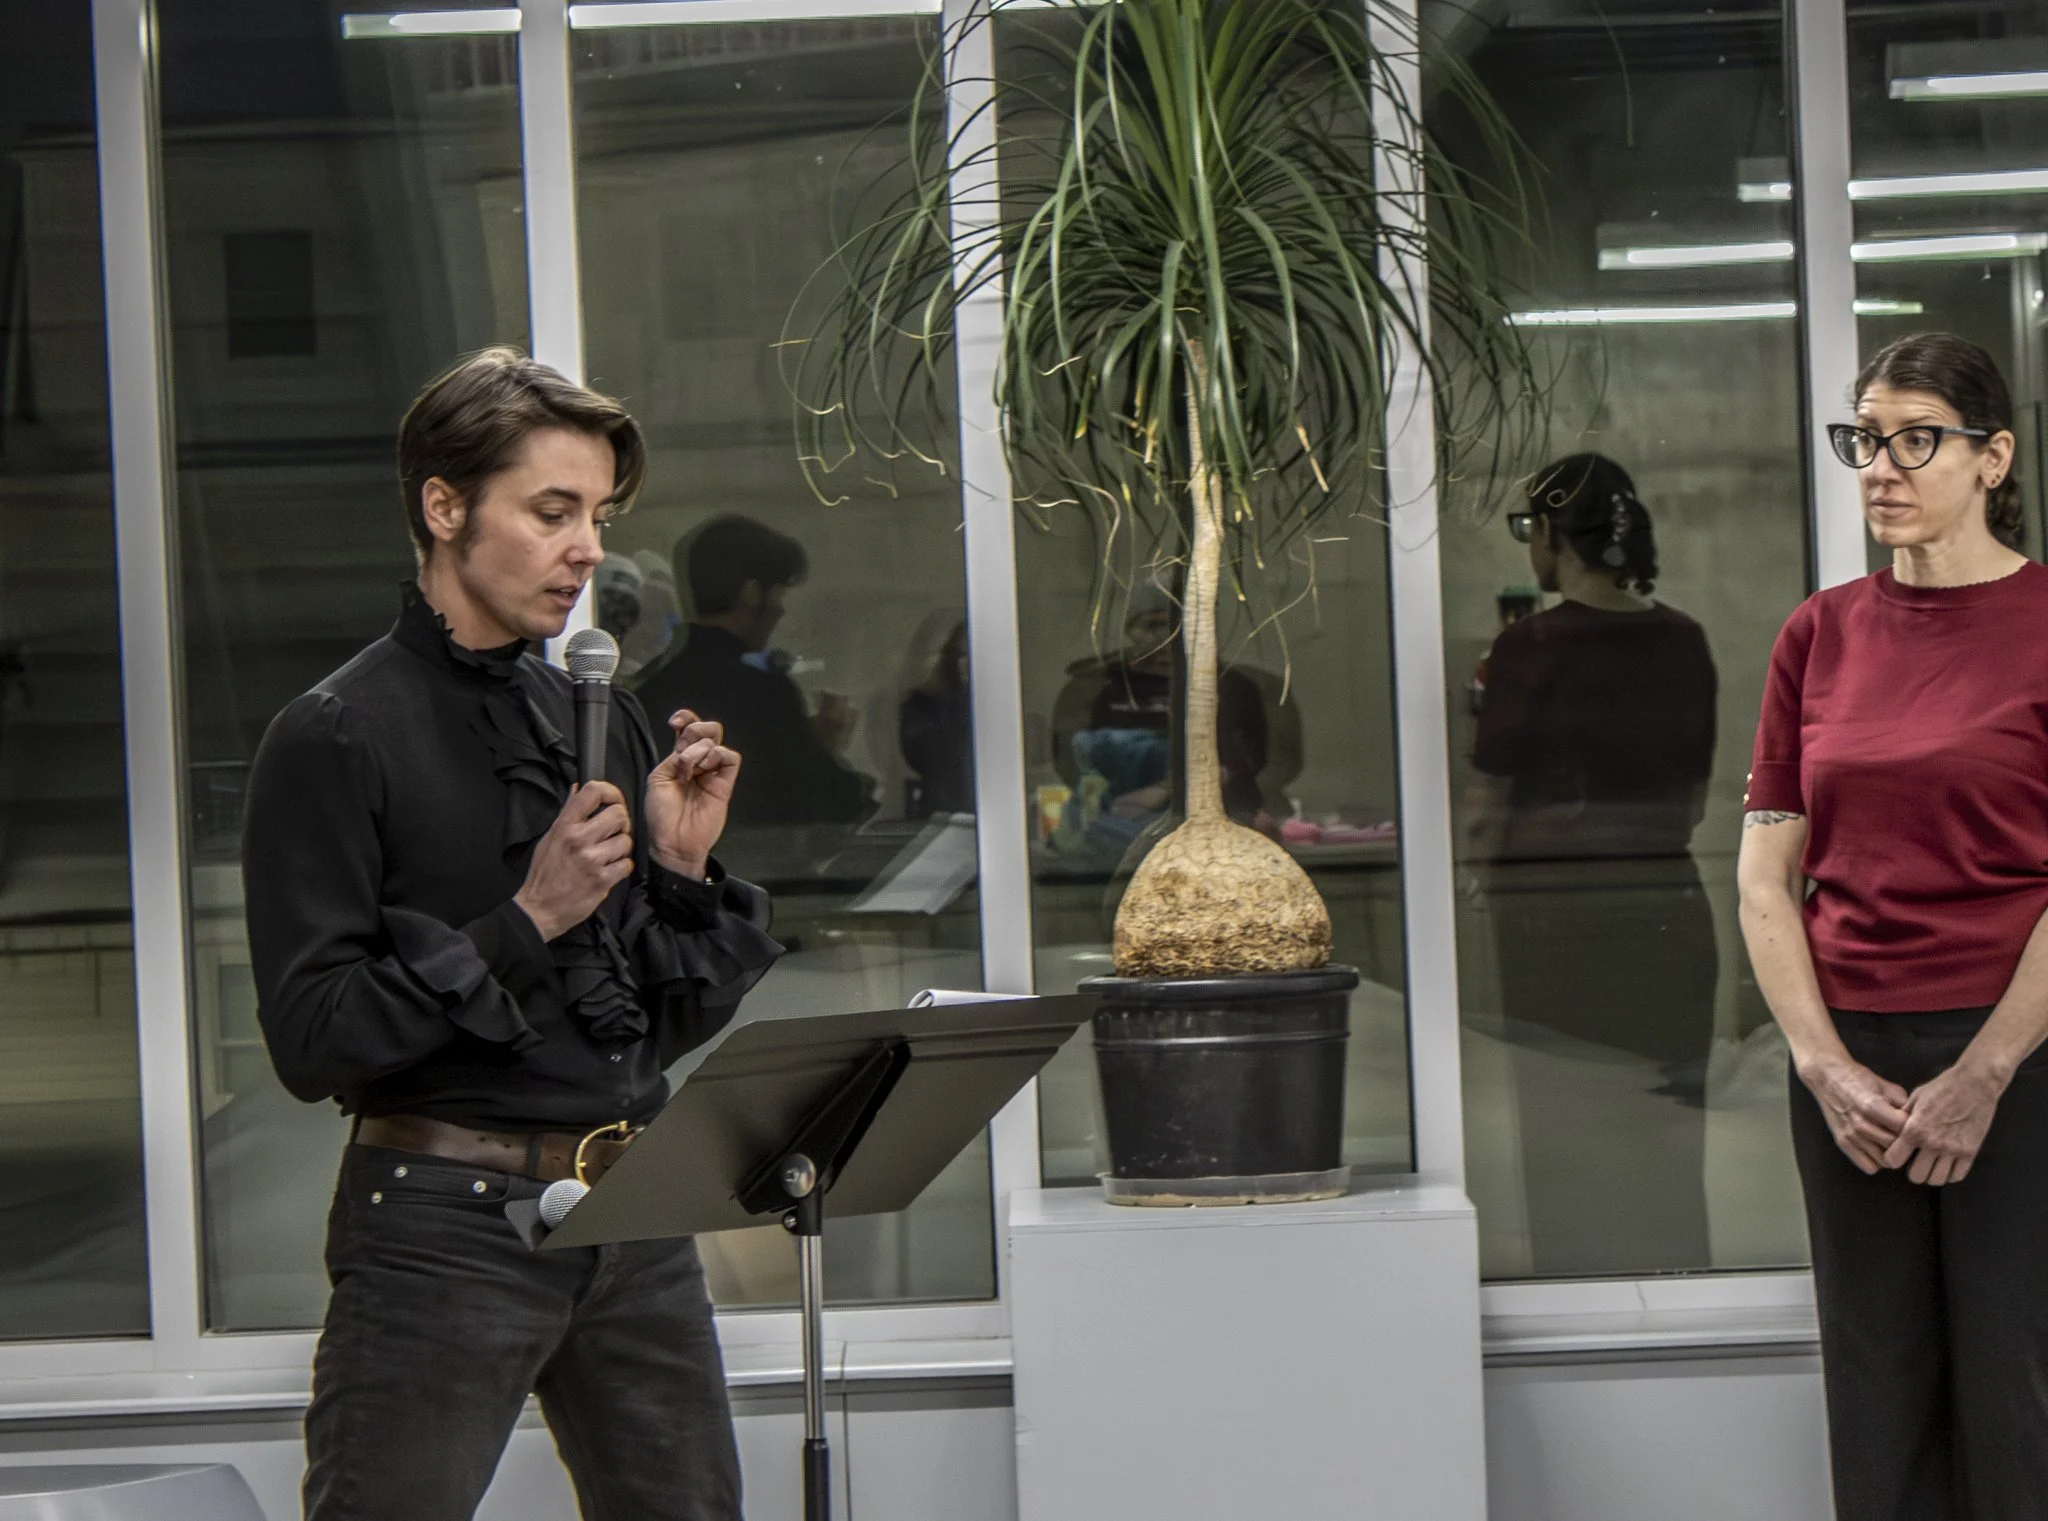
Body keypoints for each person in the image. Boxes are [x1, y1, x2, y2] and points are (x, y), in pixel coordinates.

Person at [240, 348, 784, 1521]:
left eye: (594, 514)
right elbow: (311, 1040)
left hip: (632, 1215)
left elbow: (653, 1027)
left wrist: (680, 872)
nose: (587, 546)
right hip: (437, 1226)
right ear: (444, 505)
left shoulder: (598, 711)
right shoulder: (333, 735)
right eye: (551, 510)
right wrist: (527, 919)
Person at [1739, 332, 2047, 1521]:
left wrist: (1984, 1070)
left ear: (1991, 457)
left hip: (2015, 1056)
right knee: (1873, 1389)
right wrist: (1818, 1062)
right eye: (1862, 439)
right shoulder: (1816, 633)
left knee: (2012, 1386)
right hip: (1850, 1070)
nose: (1879, 466)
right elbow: (1767, 876)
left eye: (1913, 439)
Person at [1466, 454, 1719, 1273]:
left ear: (1547, 534)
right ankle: (1678, 1282)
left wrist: (1482, 873)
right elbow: (1694, 798)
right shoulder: (1684, 641)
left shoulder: (1529, 649)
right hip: (1664, 903)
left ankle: (1576, 1281)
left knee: (1562, 1121)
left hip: (1553, 912)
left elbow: (1489, 802)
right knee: (1669, 1126)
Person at [633, 514, 874, 828]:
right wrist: (825, 748)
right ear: (751, 593)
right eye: (777, 594)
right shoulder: (766, 695)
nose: (781, 609)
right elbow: (824, 805)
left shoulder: (649, 689)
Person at [899, 618, 973, 818]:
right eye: (961, 656)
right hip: (943, 818)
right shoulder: (923, 708)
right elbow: (919, 757)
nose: (966, 665)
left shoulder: (991, 707)